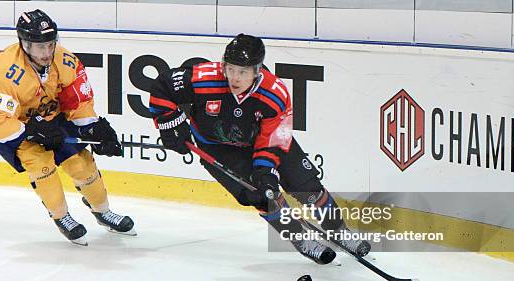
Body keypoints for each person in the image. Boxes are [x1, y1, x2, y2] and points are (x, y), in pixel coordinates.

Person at [148, 33, 370, 264]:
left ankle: (339, 231)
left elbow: (273, 139)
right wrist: (169, 125)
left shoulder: (275, 94)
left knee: (307, 187)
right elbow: (163, 85)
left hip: (261, 141)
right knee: (260, 197)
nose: (234, 77)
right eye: (230, 69)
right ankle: (302, 240)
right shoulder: (205, 78)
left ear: (257, 70)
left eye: (242, 72)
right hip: (218, 147)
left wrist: (266, 173)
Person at [0, 9, 136, 246]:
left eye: (51, 44)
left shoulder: (64, 59)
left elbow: (77, 102)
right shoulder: (5, 69)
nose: (47, 52)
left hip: (47, 113)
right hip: (12, 121)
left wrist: (92, 129)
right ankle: (62, 216)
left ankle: (102, 211)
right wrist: (30, 131)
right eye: (40, 47)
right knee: (41, 164)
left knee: (82, 164)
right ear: (24, 44)